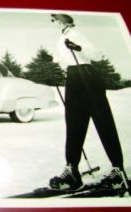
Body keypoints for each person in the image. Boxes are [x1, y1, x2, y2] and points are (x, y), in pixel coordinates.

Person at [49, 13, 128, 190]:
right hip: (73, 79)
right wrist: (55, 63)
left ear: (63, 21)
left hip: (88, 76)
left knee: (103, 122)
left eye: (53, 19)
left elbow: (97, 55)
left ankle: (118, 169)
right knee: (74, 124)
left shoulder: (77, 35)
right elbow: (64, 61)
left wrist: (78, 48)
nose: (52, 23)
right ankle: (72, 170)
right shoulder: (61, 38)